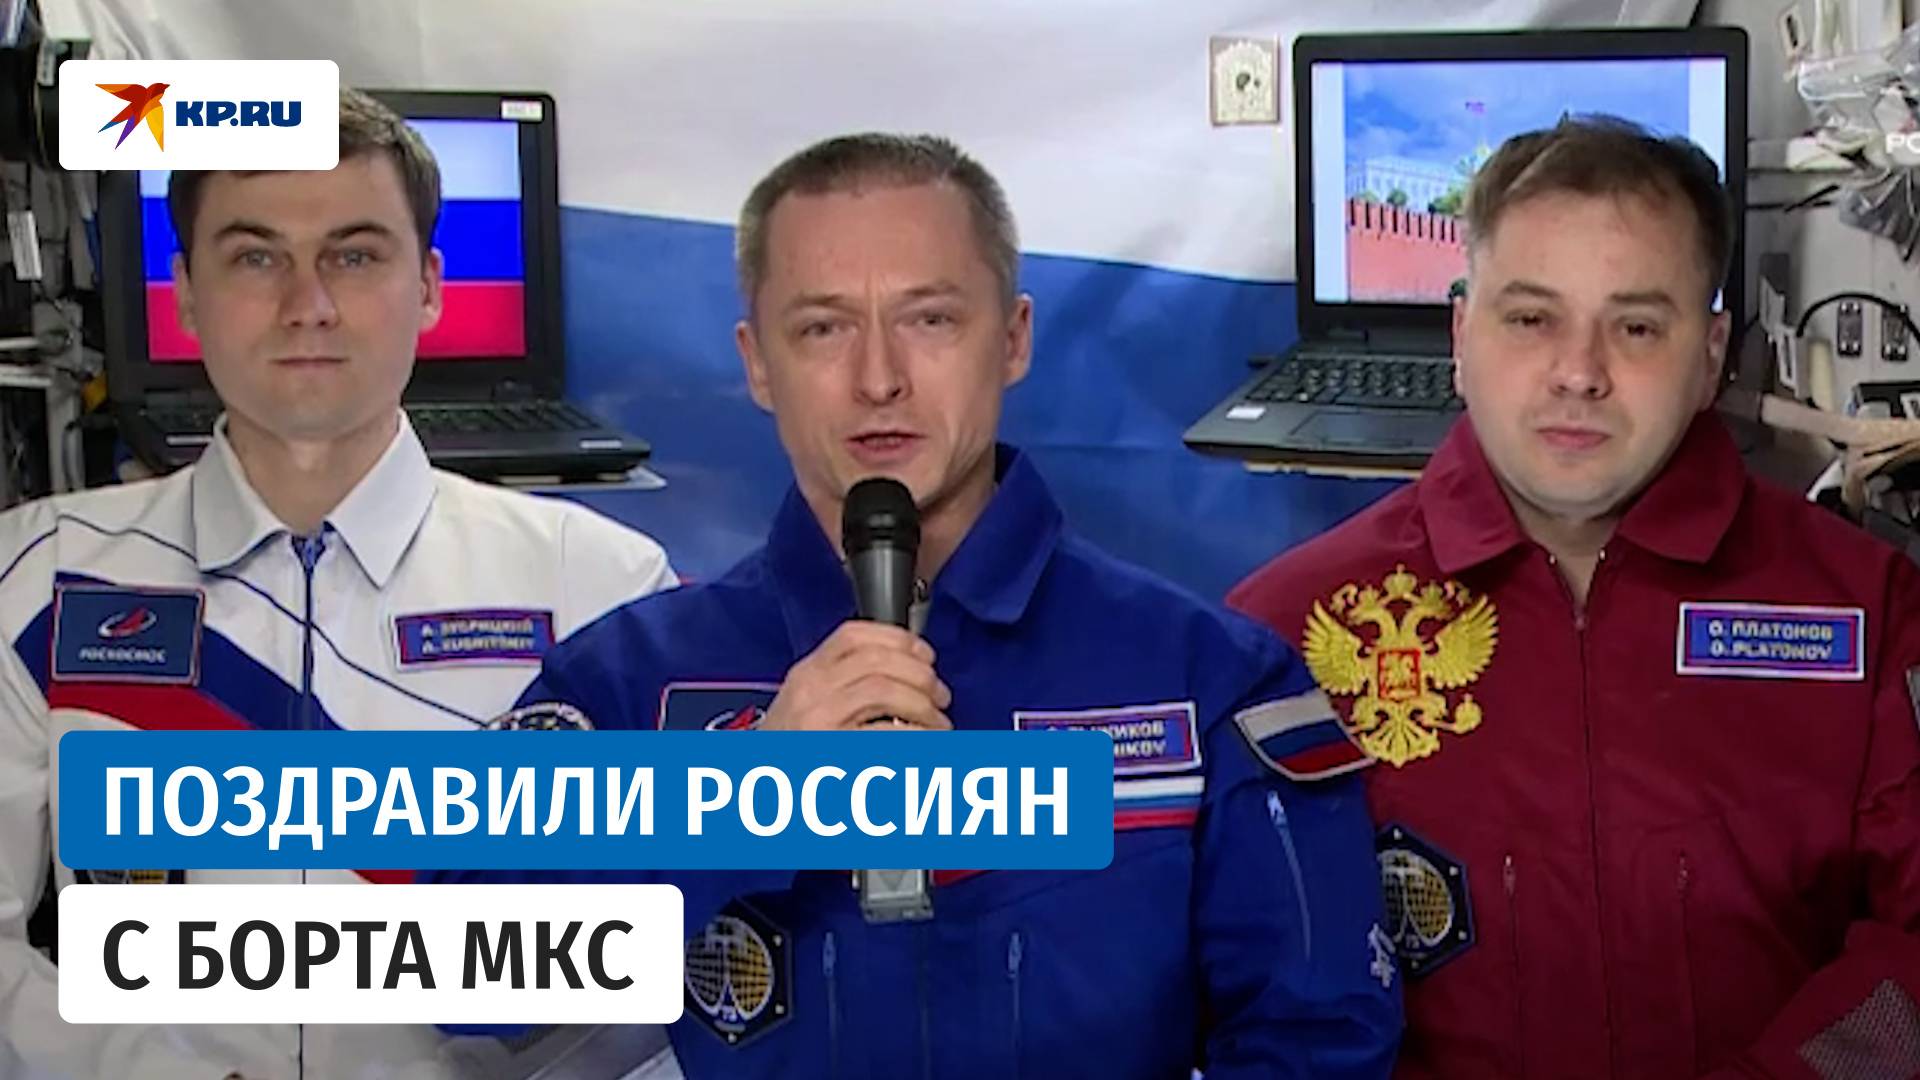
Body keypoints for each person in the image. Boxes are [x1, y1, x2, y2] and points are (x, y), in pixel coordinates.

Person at [445, 133, 1402, 1078]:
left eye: (931, 319)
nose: (879, 379)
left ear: (1014, 338)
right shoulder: (633, 676)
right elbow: (461, 976)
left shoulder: (1208, 677)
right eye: (822, 328)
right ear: (758, 362)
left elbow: (1320, 1041)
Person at [0, 88, 677, 1079]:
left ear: (431, 285)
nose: (307, 304)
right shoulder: (39, 577)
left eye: (354, 257)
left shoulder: (602, 588)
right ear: (183, 292)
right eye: (256, 257)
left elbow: (671, 948)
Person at [1230, 115, 1920, 1079]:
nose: (1579, 373)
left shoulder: (1868, 612)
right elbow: (1202, 967)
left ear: (1710, 354)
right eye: (1531, 319)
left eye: (1636, 326)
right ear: (1461, 336)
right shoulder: (1277, 634)